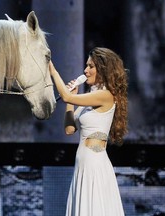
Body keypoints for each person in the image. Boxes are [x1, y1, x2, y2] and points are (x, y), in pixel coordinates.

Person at [49, 47, 128, 216]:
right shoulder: (88, 101)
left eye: (91, 66)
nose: (85, 70)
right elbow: (70, 129)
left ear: (103, 69)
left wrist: (53, 71)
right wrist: (71, 100)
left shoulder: (106, 95)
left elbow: (66, 96)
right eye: (86, 66)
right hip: (82, 167)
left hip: (94, 167)